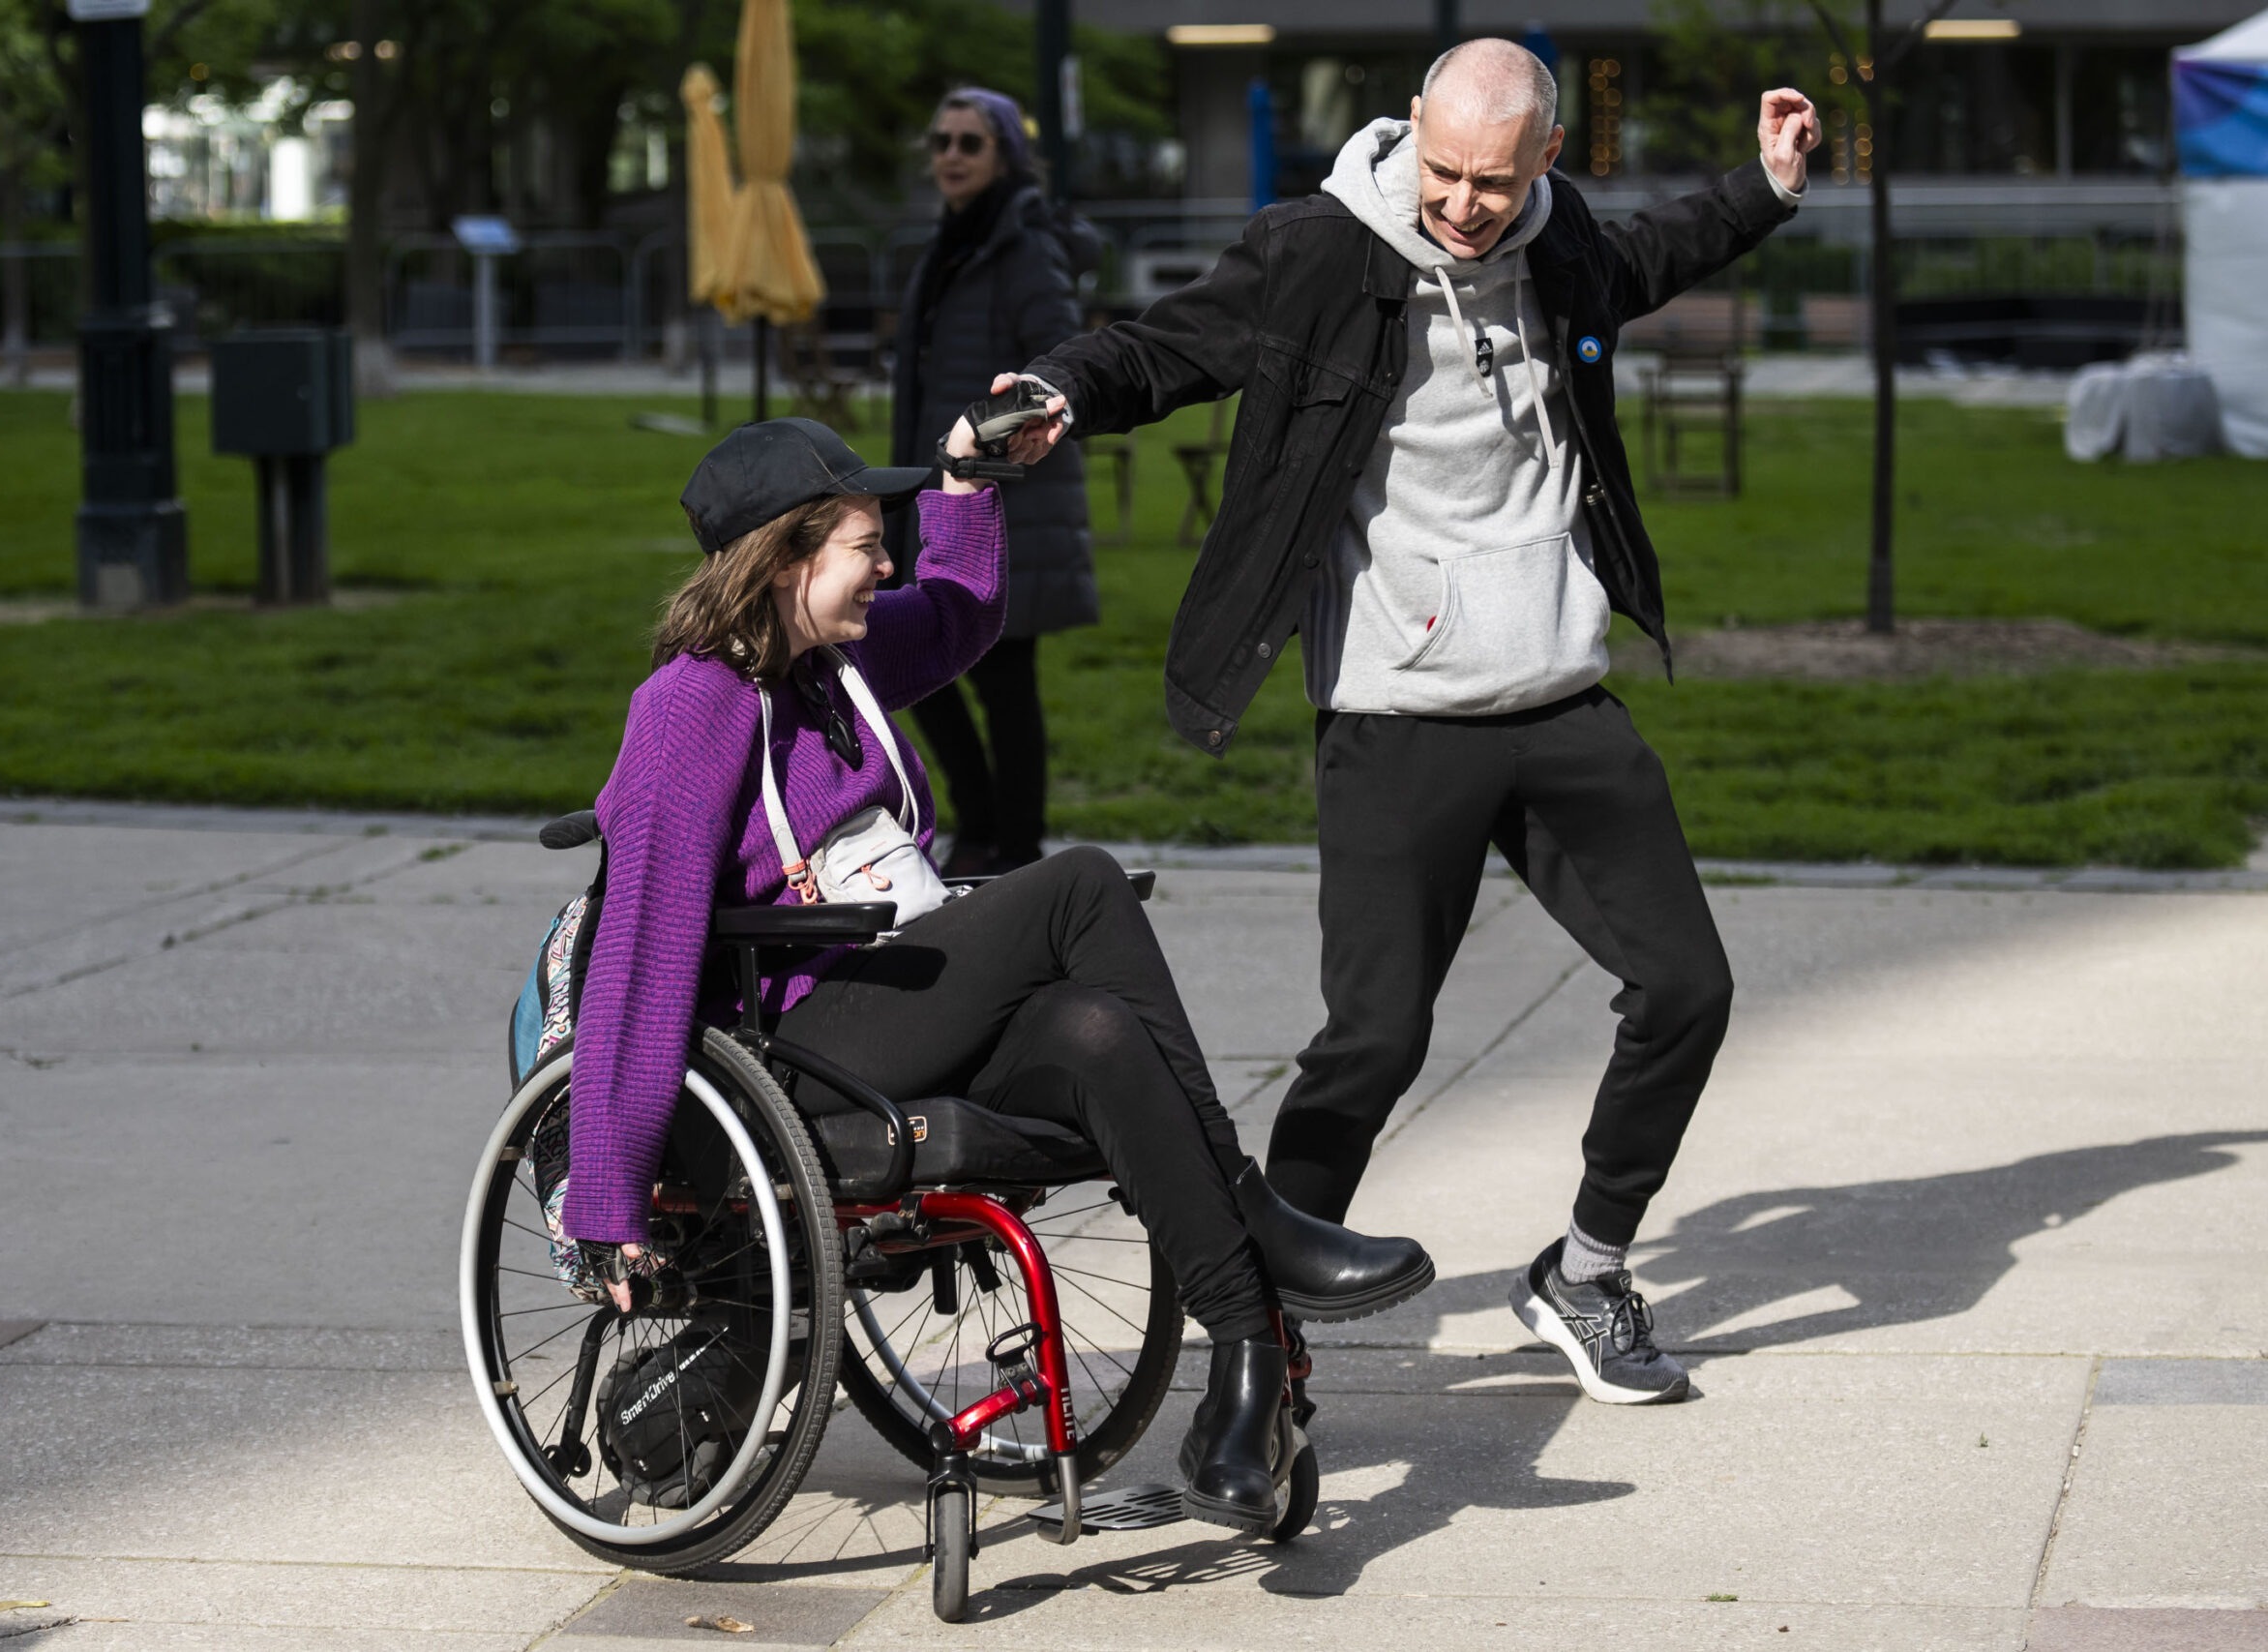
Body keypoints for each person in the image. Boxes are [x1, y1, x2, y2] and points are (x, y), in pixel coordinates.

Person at [998, 42, 1823, 1405]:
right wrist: (1063, 390)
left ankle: (1589, 1267)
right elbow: (1169, 344)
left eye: (1494, 180)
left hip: (1559, 695)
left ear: (1544, 158)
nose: (1462, 202)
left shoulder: (1557, 246)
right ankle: (1256, 1355)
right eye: (1442, 170)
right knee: (1373, 1041)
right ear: (1413, 139)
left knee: (1688, 988)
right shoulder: (1321, 249)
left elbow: (1650, 255)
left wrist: (1770, 185)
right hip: (1397, 714)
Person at [562, 413, 1434, 1528]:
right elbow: (640, 954)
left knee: (1091, 1032)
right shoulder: (690, 708)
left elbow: (966, 615)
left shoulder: (834, 664)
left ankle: (1250, 1369)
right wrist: (608, 1189)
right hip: (806, 1043)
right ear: (782, 559)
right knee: (1078, 884)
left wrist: (968, 480)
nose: (887, 564)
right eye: (863, 545)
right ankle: (1251, 1209)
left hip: (898, 992)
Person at [890, 88, 1101, 877]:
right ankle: (980, 824)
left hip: (1011, 498)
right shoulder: (953, 244)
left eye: (969, 143)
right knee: (921, 657)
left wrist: (984, 455)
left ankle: (1013, 850)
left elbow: (1058, 364)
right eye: (941, 140)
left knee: (1004, 683)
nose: (950, 154)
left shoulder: (1020, 246)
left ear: (1004, 155)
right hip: (943, 487)